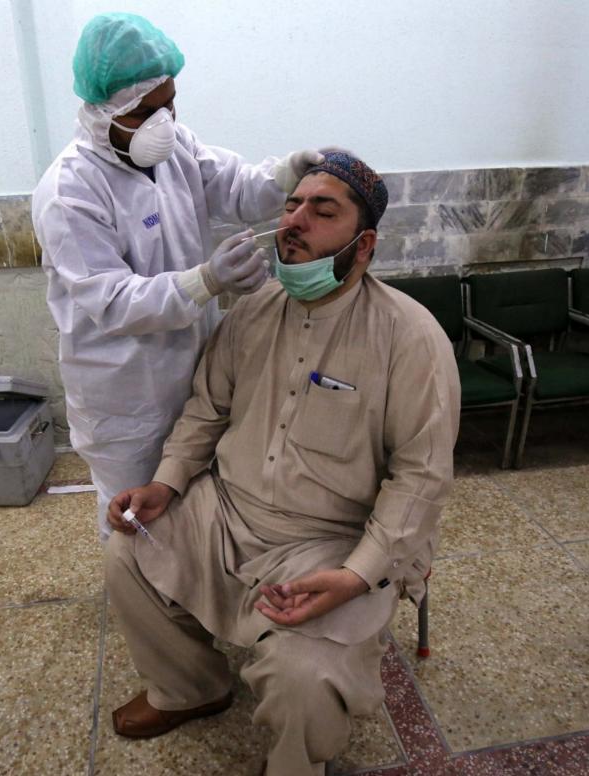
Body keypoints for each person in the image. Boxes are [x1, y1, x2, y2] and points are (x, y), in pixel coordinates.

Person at [102, 152, 462, 775]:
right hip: (228, 508)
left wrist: (357, 575)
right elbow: (206, 410)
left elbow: (422, 477)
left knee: (305, 676)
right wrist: (165, 484)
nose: (295, 220)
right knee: (127, 549)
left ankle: (295, 766)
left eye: (322, 212)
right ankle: (193, 688)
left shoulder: (411, 336)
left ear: (364, 242)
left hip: (332, 537)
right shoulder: (252, 309)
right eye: (292, 205)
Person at [32, 12, 323, 539]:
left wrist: (285, 175)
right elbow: (113, 301)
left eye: (169, 103)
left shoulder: (176, 150)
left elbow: (237, 189)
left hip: (196, 374)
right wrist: (206, 281)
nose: (163, 120)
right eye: (147, 111)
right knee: (137, 518)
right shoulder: (69, 191)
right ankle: (142, 607)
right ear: (106, 111)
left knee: (194, 504)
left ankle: (191, 596)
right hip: (125, 397)